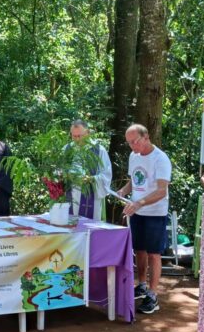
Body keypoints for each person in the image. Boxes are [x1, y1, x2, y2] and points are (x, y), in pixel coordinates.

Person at [116, 124, 171, 315]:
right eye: (129, 143)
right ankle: (142, 285)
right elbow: (134, 180)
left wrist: (140, 202)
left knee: (154, 254)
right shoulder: (134, 156)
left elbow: (162, 191)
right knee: (138, 249)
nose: (132, 146)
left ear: (146, 136)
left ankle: (153, 296)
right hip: (137, 212)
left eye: (135, 141)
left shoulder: (160, 158)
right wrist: (123, 191)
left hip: (155, 212)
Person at [64, 120, 112, 220]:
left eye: (80, 136)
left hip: (91, 199)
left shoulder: (99, 150)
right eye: (74, 136)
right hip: (70, 198)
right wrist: (62, 175)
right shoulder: (67, 149)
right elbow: (58, 171)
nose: (77, 139)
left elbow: (106, 175)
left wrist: (91, 179)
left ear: (88, 133)